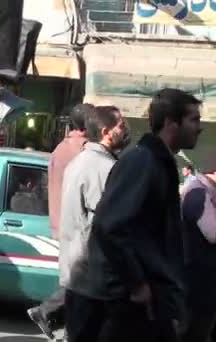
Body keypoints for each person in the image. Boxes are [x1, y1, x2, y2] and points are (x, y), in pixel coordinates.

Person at [86, 88, 202, 342]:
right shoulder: (143, 162)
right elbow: (109, 225)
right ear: (172, 123)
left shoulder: (159, 162)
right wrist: (137, 284)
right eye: (193, 119)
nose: (199, 127)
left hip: (150, 301)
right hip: (132, 304)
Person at [59, 106, 130, 342]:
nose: (126, 130)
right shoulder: (102, 168)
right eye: (121, 125)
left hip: (79, 276)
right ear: (105, 132)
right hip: (93, 279)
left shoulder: (83, 161)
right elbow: (110, 225)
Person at [27, 103, 94, 337]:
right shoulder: (82, 151)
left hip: (61, 219)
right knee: (79, 277)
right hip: (75, 221)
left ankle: (55, 318)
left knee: (75, 274)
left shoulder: (62, 147)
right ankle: (47, 311)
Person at [179, 159, 216, 342]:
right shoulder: (198, 193)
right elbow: (213, 233)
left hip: (204, 272)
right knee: (195, 326)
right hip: (198, 273)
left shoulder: (204, 191)